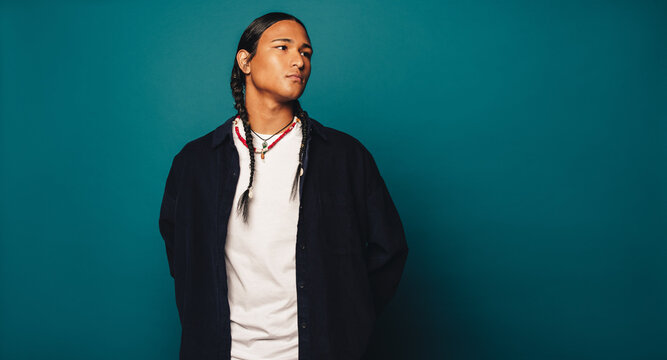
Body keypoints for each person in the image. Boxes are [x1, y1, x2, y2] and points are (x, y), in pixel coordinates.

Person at [159, 12, 408, 360]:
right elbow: (180, 251)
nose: (298, 61)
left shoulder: (344, 157)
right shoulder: (195, 163)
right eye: (283, 47)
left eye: (306, 53)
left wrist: (349, 321)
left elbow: (389, 249)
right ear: (246, 61)